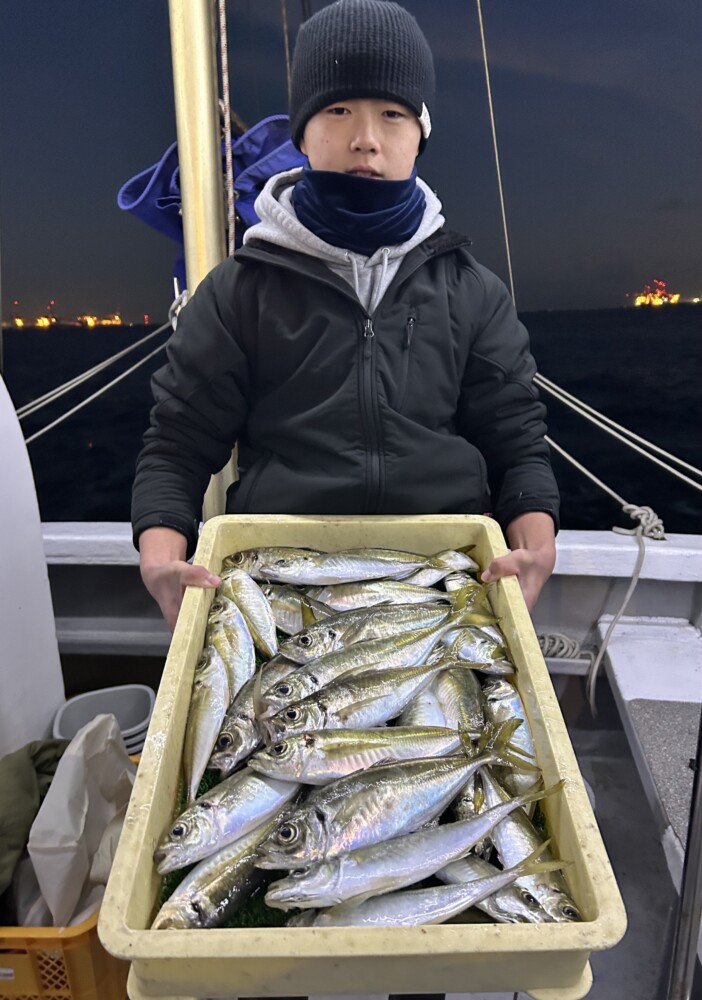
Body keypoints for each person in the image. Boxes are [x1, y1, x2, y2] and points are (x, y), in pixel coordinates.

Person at [132, 0, 559, 632]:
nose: (366, 138)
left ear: (420, 133)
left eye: (392, 114)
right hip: (280, 578)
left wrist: (535, 542)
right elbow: (177, 443)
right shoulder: (236, 292)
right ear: (301, 132)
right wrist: (161, 556)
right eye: (338, 111)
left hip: (447, 576)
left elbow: (515, 440)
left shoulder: (474, 291)